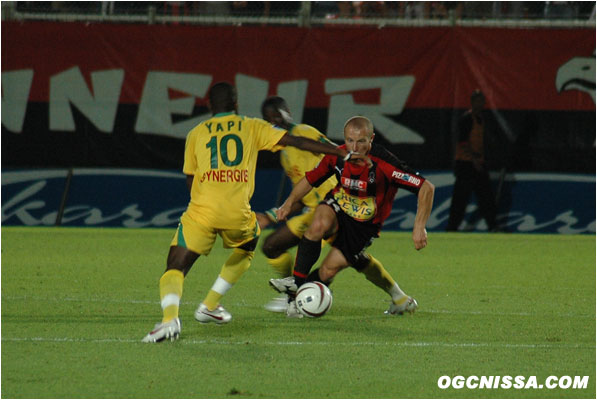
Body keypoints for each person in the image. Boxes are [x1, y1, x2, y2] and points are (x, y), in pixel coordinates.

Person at [142, 82, 365, 343]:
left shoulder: (195, 133)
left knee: (175, 266)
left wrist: (202, 209)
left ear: (208, 106)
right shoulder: (251, 125)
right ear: (236, 104)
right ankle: (210, 305)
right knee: (249, 244)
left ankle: (170, 321)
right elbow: (298, 142)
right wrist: (340, 152)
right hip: (237, 213)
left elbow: (191, 181)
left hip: (201, 211)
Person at [269, 116, 435, 317]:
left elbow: (426, 187)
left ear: (371, 139)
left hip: (364, 225)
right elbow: (311, 179)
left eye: (361, 141)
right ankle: (297, 285)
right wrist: (288, 203)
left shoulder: (384, 163)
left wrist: (419, 226)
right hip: (338, 206)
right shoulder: (338, 155)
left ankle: (397, 297)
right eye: (349, 140)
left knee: (330, 269)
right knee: (318, 224)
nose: (354, 147)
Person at [255, 96, 338, 312]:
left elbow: (338, 154)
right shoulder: (284, 154)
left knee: (339, 257)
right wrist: (272, 215)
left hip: (336, 208)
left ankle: (295, 297)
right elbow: (301, 199)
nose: (275, 121)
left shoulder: (304, 132)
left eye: (278, 115)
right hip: (313, 213)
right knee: (271, 246)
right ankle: (290, 294)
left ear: (287, 111)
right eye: (269, 119)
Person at [446, 90, 498, 232]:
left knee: (486, 196)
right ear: (472, 102)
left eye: (482, 101)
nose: (480, 104)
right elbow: (462, 142)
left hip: (478, 162)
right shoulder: (467, 119)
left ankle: (492, 225)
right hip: (465, 164)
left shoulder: (482, 119)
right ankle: (452, 227)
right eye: (477, 101)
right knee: (460, 198)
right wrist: (474, 159)